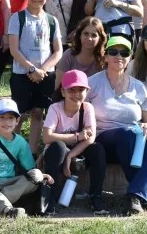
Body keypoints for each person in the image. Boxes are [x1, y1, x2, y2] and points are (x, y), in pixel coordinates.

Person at [86, 36, 147, 215]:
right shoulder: (92, 83)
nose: (119, 56)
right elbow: (80, 116)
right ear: (105, 56)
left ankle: (135, 194)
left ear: (130, 58)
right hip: (102, 140)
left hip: (132, 140)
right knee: (126, 133)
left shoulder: (138, 86)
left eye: (124, 53)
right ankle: (139, 192)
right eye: (113, 52)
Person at [8, 0, 63, 155]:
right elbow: (14, 49)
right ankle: (12, 148)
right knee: (20, 113)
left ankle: (31, 151)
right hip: (22, 73)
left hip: (45, 75)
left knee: (38, 111)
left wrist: (42, 71)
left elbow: (57, 51)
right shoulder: (18, 18)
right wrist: (32, 69)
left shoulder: (52, 21)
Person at [43, 70, 108, 215]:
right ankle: (49, 198)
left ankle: (96, 196)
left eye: (81, 90)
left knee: (98, 149)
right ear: (63, 91)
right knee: (59, 147)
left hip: (77, 151)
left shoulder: (87, 108)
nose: (76, 94)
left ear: (87, 92)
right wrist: (76, 137)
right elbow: (47, 137)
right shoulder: (55, 108)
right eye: (71, 90)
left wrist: (70, 155)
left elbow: (91, 137)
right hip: (56, 152)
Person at [54, 17, 106, 90]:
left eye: (94, 35)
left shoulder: (104, 59)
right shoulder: (69, 55)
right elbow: (59, 85)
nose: (89, 38)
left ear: (100, 38)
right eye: (86, 34)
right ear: (79, 35)